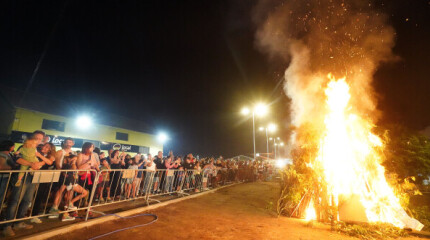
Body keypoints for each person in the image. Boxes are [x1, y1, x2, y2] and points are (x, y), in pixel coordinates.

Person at [2, 131, 45, 237]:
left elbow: (44, 161)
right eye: (37, 138)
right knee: (15, 200)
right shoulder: (25, 146)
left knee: (27, 200)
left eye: (40, 139)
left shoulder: (39, 150)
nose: (38, 140)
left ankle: (19, 222)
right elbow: (17, 159)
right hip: (22, 177)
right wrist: (31, 164)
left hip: (33, 177)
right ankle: (7, 226)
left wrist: (38, 163)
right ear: (32, 138)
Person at [30, 143, 56, 224]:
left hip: (43, 179)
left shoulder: (50, 156)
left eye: (47, 147)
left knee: (39, 197)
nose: (44, 147)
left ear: (50, 150)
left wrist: (40, 156)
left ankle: (34, 215)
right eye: (44, 145)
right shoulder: (36, 152)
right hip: (31, 178)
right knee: (28, 197)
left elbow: (49, 162)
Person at [0, 140, 15, 208]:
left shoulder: (7, 154)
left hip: (5, 177)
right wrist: (12, 167)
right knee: (1, 194)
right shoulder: (3, 154)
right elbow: (1, 166)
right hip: (2, 177)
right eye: (13, 145)